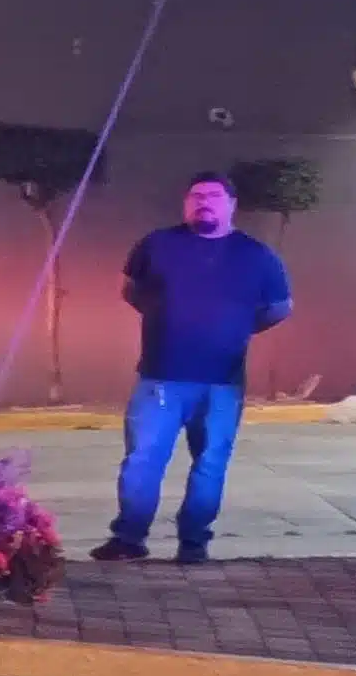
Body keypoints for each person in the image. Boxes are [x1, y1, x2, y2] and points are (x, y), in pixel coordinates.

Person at [98, 170, 292, 563]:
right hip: (160, 377)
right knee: (142, 461)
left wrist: (235, 331)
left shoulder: (257, 256)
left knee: (210, 463)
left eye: (214, 195)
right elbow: (131, 290)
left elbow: (279, 309)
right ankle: (129, 539)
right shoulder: (157, 245)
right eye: (196, 195)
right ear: (186, 203)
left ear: (232, 204)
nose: (204, 201)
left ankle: (194, 542)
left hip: (222, 383)